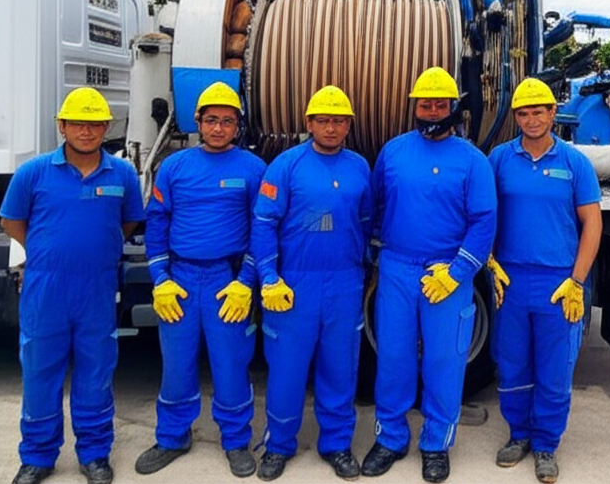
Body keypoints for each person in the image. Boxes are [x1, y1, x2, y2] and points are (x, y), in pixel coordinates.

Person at [0, 87, 145, 484]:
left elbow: (129, 223)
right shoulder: (34, 172)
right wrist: (45, 251)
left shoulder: (123, 174)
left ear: (106, 128)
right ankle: (37, 457)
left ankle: (95, 454)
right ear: (61, 126)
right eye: (77, 123)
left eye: (95, 124)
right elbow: (11, 222)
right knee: (41, 373)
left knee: (96, 373)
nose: (86, 131)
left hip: (97, 287)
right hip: (46, 288)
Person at [361, 67, 497, 483]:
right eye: (426, 103)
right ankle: (390, 438)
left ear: (454, 108)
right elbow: (376, 206)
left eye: (441, 103)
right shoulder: (393, 152)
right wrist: (375, 255)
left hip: (448, 273)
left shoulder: (472, 160)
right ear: (414, 107)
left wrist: (457, 272)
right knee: (395, 357)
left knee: (444, 360)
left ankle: (436, 444)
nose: (433, 110)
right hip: (398, 269)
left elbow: (484, 221)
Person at [135, 81, 267, 478]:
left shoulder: (252, 169)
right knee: (176, 363)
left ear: (237, 125)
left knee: (231, 363)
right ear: (198, 121)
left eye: (227, 121)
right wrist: (160, 277)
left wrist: (246, 280)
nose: (218, 127)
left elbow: (261, 228)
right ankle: (173, 436)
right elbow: (157, 223)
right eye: (211, 120)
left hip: (227, 281)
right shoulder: (174, 167)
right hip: (181, 278)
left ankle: (236, 440)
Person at [251, 86, 372, 481]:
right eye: (323, 120)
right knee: (286, 370)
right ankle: (279, 445)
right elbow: (264, 223)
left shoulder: (359, 168)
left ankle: (336, 444)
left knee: (340, 369)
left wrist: (364, 268)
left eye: (339, 120)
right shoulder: (285, 166)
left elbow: (367, 221)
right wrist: (269, 277)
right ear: (308, 123)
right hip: (294, 286)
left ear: (349, 125)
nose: (331, 127)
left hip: (344, 284)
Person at [486, 78, 602, 484]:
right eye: (523, 112)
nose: (532, 119)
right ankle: (518, 435)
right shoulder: (500, 159)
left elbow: (592, 223)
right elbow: (482, 214)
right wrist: (489, 259)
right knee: (513, 362)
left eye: (539, 111)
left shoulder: (574, 163)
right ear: (514, 117)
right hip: (511, 281)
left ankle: (547, 444)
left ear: (554, 113)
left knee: (554, 368)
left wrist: (577, 281)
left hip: (559, 283)